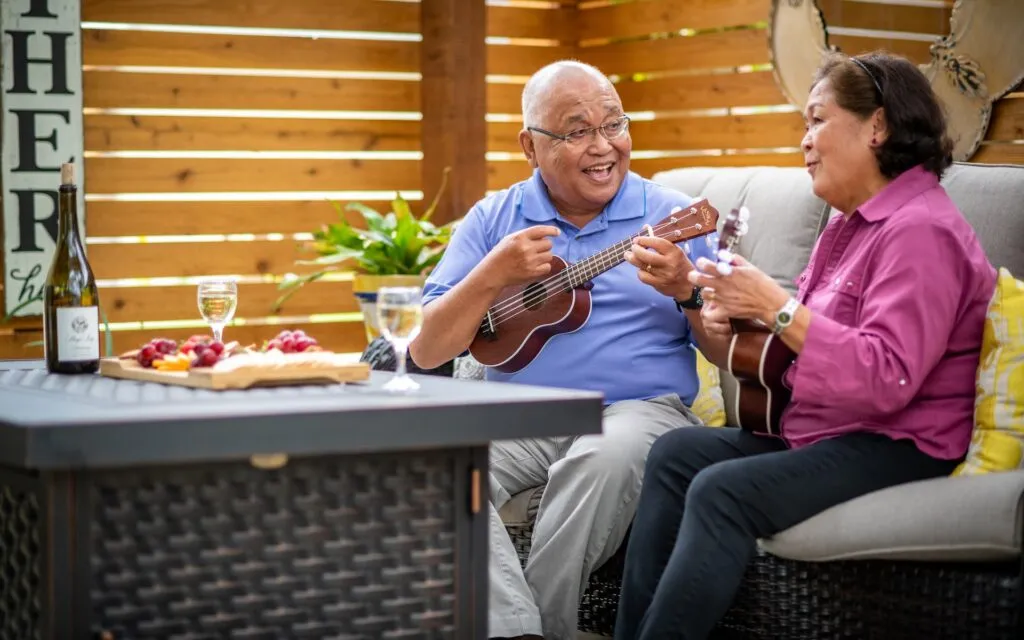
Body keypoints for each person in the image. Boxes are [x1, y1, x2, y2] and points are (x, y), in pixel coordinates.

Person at [612, 50, 999, 639]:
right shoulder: (847, 224)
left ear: (878, 126)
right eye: (804, 125)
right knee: (675, 455)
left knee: (722, 491)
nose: (805, 141)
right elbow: (797, 351)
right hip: (824, 427)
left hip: (898, 441)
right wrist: (724, 311)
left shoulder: (922, 230)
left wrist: (775, 305)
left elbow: (885, 377)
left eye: (818, 120)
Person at [409, 60, 724, 639]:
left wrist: (687, 293)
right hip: (520, 414)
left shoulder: (674, 214)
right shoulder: (493, 219)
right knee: (432, 465)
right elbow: (427, 350)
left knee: (601, 459)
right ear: (530, 146)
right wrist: (488, 276)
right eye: (578, 131)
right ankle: (515, 628)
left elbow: (730, 350)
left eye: (614, 124)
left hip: (637, 409)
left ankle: (546, 629)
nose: (603, 146)